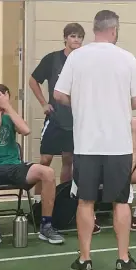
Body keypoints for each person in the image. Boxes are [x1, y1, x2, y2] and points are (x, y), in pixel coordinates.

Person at [54, 10, 136, 270]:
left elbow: (59, 94)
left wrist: (83, 103)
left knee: (85, 200)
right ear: (114, 30)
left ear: (94, 29)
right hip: (118, 144)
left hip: (87, 143)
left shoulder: (76, 56)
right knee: (121, 201)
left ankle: (85, 261)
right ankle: (123, 260)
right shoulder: (126, 58)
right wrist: (116, 104)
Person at [0, 84, 64, 249]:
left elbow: (26, 130)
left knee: (48, 172)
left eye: (3, 98)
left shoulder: (11, 118)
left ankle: (46, 225)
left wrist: (7, 107)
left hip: (15, 166)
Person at [29, 23, 85, 203]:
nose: (76, 40)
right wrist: (44, 103)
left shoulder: (84, 61)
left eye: (79, 37)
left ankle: (64, 197)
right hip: (54, 118)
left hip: (75, 119)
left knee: (69, 159)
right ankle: (38, 199)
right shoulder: (52, 59)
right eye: (73, 36)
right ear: (65, 38)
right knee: (45, 159)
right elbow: (33, 80)